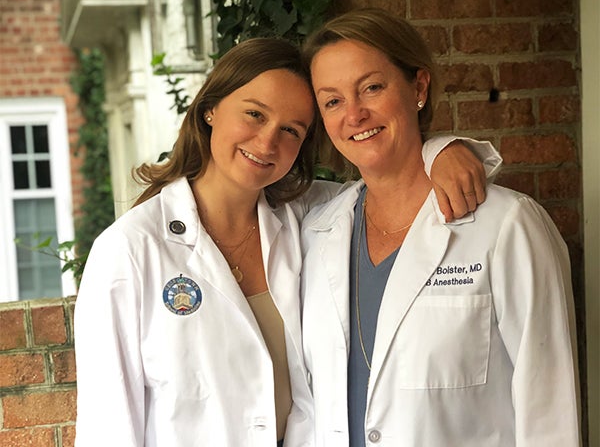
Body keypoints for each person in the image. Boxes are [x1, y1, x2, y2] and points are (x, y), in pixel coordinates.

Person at [73, 37, 499, 446]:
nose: (268, 142)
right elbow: (107, 427)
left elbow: (390, 185)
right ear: (210, 110)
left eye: (292, 130)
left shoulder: (312, 218)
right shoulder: (129, 252)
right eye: (255, 114)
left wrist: (440, 151)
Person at [300, 8, 580, 447]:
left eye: (372, 87)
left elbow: (549, 406)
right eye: (332, 101)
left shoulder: (507, 226)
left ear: (419, 87)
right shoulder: (316, 233)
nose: (354, 114)